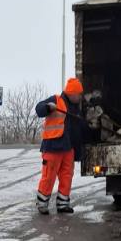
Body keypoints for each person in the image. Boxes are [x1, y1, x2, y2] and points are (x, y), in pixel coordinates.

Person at [34, 76, 89, 215]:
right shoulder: (56, 100)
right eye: (78, 94)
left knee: (67, 176)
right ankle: (42, 203)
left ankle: (63, 204)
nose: (80, 97)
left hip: (68, 148)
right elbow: (39, 109)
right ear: (72, 93)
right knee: (49, 176)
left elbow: (79, 127)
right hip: (53, 147)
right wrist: (48, 107)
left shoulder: (76, 108)